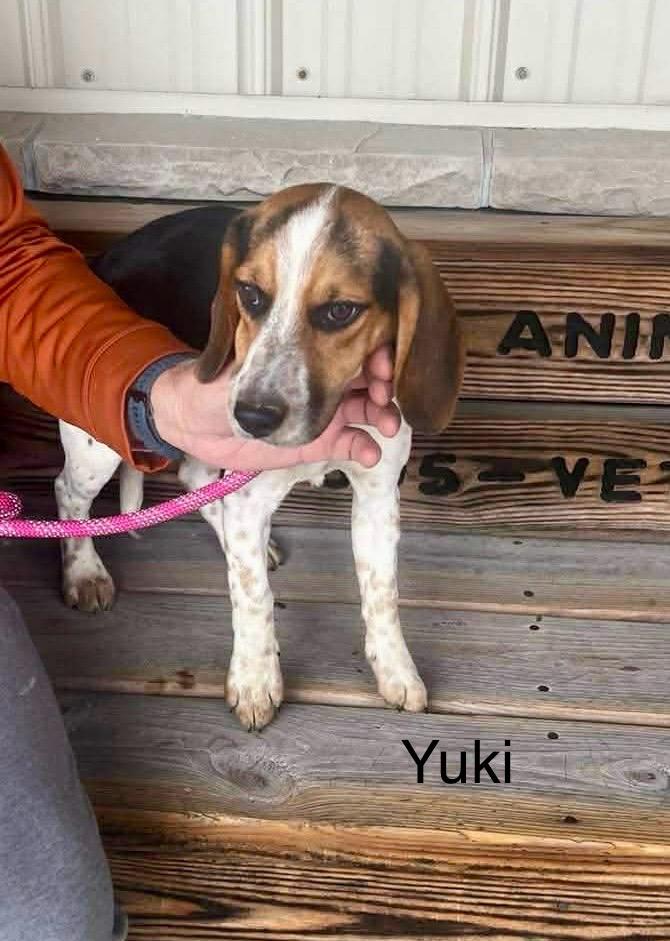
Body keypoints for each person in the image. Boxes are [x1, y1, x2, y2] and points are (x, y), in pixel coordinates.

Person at [0, 145, 400, 941]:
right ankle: (78, 537)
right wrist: (254, 652)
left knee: (54, 917)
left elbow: (8, 271)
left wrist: (154, 400)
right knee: (93, 471)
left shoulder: (378, 360)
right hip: (149, 360)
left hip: (112, 355)